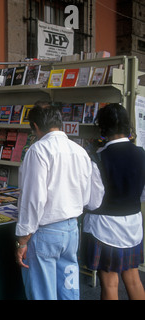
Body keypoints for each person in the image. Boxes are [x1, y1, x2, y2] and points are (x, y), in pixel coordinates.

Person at [15, 102, 92, 300]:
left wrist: (22, 240)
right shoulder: (79, 150)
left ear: (35, 126)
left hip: (46, 232)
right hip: (72, 228)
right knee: (69, 288)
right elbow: (86, 195)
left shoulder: (38, 150)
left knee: (42, 292)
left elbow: (34, 199)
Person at [82, 103, 145, 300]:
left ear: (102, 127)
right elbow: (143, 194)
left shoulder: (97, 158)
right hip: (133, 225)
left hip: (104, 228)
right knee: (133, 278)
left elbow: (93, 202)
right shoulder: (142, 154)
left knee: (109, 283)